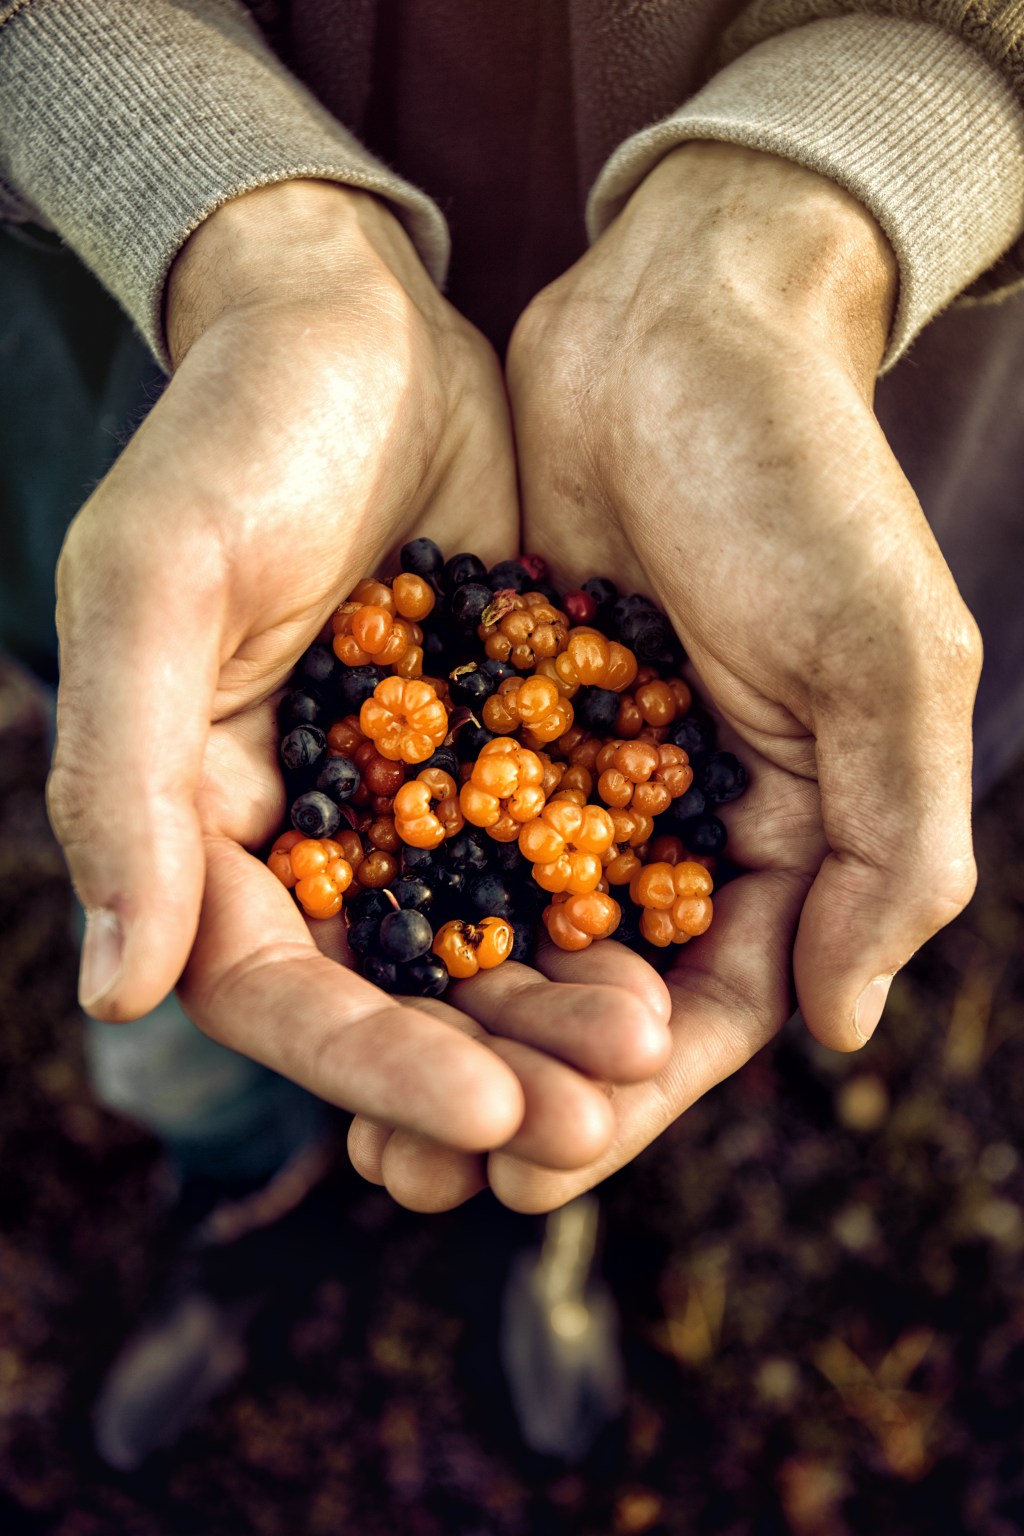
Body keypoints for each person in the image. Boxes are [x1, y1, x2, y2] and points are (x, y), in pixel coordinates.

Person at [2, 0, 1022, 1457]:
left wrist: (813, 206)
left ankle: (541, 1232)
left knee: (595, 1054)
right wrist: (245, 231)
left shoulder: (580, 752)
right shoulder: (428, 743)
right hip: (183, 415)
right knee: (178, 933)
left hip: (789, 468)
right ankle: (234, 1201)